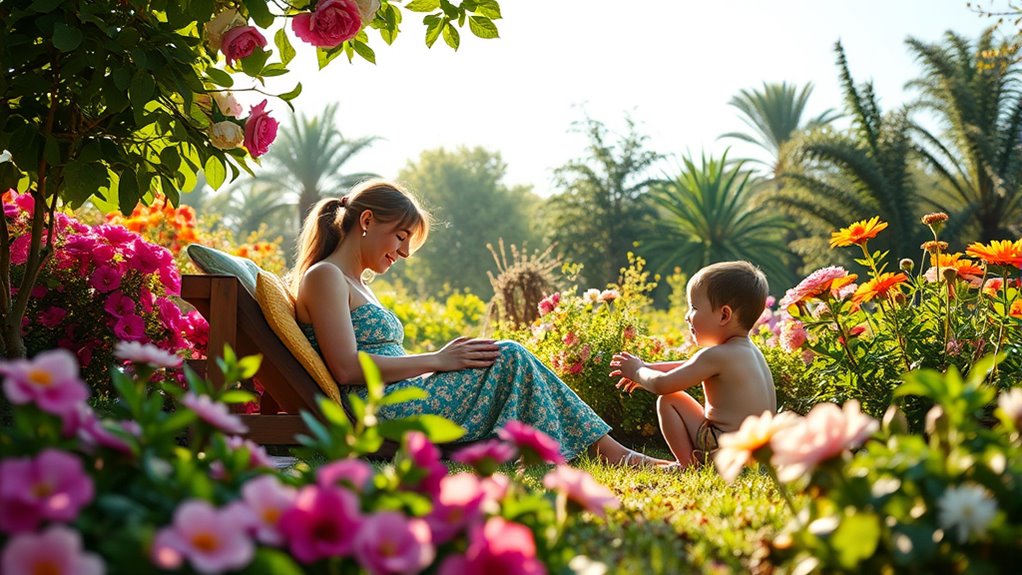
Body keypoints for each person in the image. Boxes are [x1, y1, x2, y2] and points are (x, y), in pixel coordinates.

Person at [292, 179, 669, 466]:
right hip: (380, 407)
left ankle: (601, 451)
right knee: (509, 356)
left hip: (399, 393)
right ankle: (615, 454)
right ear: (368, 221)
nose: (404, 252)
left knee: (505, 356)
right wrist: (437, 361)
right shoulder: (326, 276)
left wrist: (437, 363)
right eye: (401, 237)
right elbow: (345, 368)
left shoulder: (355, 282)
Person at [609, 261, 776, 468]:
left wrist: (637, 371)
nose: (687, 317)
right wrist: (648, 366)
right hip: (758, 451)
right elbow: (688, 366)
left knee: (668, 399)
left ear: (724, 315)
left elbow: (663, 385)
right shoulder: (749, 352)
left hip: (725, 448)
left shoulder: (716, 356)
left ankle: (687, 465)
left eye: (694, 307)